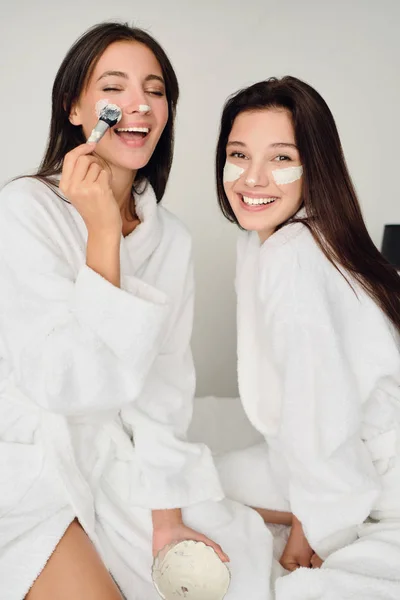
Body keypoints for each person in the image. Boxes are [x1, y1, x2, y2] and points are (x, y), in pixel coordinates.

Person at [0, 22, 272, 600]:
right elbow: (61, 383)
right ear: (76, 108)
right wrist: (101, 229)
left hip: (118, 460)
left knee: (241, 571)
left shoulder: (170, 238)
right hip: (27, 462)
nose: (138, 105)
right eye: (115, 88)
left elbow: (165, 390)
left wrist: (166, 517)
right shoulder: (25, 210)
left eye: (154, 90)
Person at [215, 76, 400, 598]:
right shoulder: (274, 242)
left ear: (313, 166)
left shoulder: (294, 257)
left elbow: (322, 413)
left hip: (374, 476)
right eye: (237, 154)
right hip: (331, 459)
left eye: (279, 158)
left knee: (183, 488)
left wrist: (313, 528)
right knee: (185, 477)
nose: (252, 178)